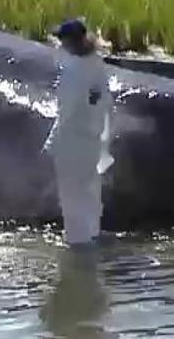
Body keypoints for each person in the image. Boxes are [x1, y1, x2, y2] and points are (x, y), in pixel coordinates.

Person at [43, 18, 114, 247]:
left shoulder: (73, 73)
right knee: (91, 193)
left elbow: (66, 112)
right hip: (92, 141)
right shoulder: (97, 65)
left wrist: (51, 143)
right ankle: (92, 237)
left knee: (72, 197)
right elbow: (104, 104)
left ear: (68, 43)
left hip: (72, 142)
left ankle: (77, 245)